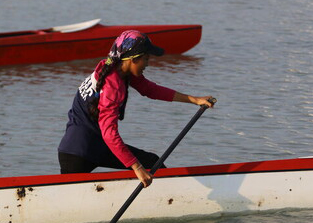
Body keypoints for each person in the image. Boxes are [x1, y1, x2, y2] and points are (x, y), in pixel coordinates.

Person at [58, 30, 215, 188]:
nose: (147, 64)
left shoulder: (114, 67)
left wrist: (194, 100)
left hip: (92, 146)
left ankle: (171, 197)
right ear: (132, 59)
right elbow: (110, 134)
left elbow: (150, 90)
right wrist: (137, 167)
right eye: (146, 59)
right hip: (79, 153)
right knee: (146, 165)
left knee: (152, 163)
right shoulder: (113, 87)